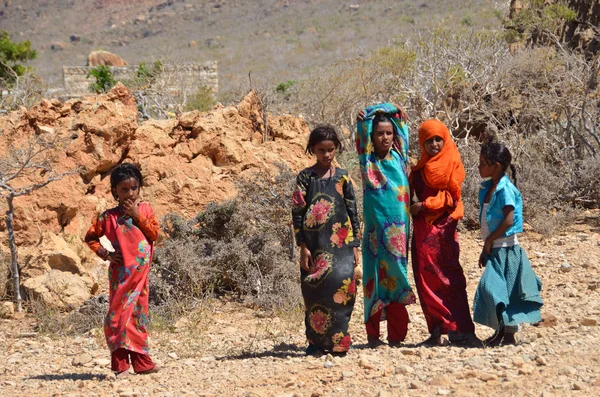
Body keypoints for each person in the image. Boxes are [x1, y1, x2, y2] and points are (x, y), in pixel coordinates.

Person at [85, 163, 160, 377]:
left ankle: (141, 362)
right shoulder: (108, 217)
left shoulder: (145, 210)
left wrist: (137, 215)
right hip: (121, 275)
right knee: (118, 315)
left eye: (134, 188)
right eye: (124, 190)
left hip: (141, 275)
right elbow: (90, 237)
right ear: (115, 192)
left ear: (139, 188)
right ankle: (120, 363)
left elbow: (154, 234)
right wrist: (106, 254)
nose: (130, 193)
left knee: (138, 314)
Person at [292, 125, 361, 355]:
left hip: (341, 246)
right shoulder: (305, 177)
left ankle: (339, 342)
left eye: (331, 149)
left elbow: (353, 211)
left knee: (343, 291)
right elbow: (297, 213)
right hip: (314, 246)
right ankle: (315, 343)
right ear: (313, 149)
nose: (327, 155)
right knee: (314, 293)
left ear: (337, 149)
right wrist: (302, 247)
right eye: (321, 150)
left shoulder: (343, 178)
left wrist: (355, 245)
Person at [409, 119, 479, 346]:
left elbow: (452, 197)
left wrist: (425, 206)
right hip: (423, 231)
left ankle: (462, 330)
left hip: (445, 229)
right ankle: (437, 330)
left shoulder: (452, 163)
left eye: (438, 139)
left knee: (450, 278)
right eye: (428, 140)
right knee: (426, 279)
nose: (434, 144)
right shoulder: (419, 169)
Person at [473, 141, 543, 346]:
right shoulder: (488, 188)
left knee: (499, 290)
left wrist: (490, 239)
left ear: (495, 165)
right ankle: (502, 332)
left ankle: (509, 334)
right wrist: (486, 247)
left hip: (507, 249)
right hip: (495, 249)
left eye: (482, 163)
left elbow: (509, 220)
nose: (479, 167)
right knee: (498, 291)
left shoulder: (505, 189)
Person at [356, 104, 415, 348]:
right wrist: (364, 119)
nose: (385, 138)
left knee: (397, 277)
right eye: (379, 133)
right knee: (374, 280)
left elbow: (402, 123)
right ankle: (373, 337)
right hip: (373, 235)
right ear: (372, 135)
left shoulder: (400, 157)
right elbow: (361, 134)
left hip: (399, 235)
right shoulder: (367, 161)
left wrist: (394, 112)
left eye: (389, 133)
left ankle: (396, 337)